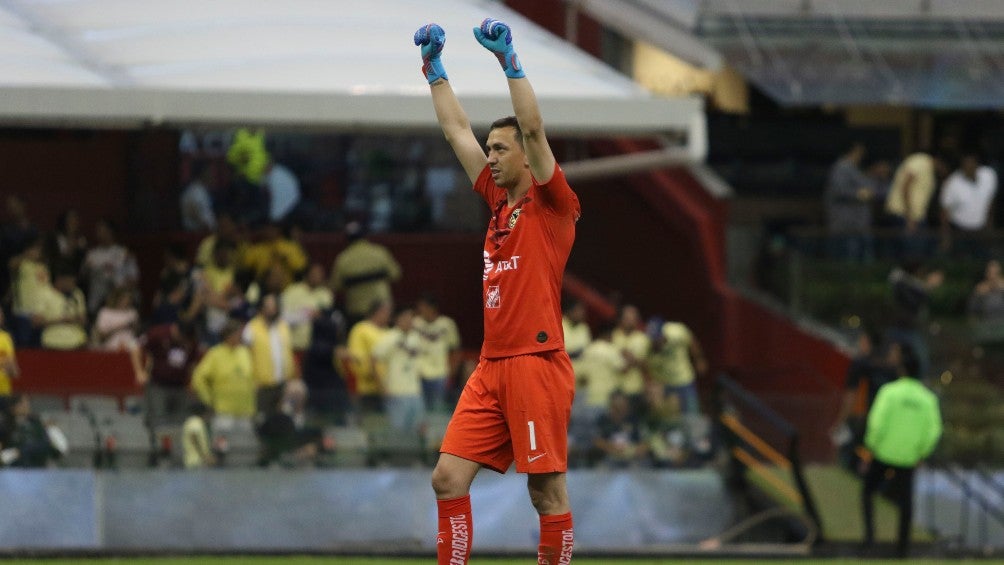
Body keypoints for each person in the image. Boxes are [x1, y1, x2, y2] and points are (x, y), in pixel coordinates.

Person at [416, 18, 580, 564]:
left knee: (545, 492)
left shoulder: (552, 206)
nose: (490, 155)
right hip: (492, 366)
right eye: (491, 148)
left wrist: (509, 62)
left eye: (501, 149)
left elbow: (534, 131)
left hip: (536, 363)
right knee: (447, 478)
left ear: (526, 159)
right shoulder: (498, 204)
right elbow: (456, 132)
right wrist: (434, 72)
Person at [861, 345, 942, 558]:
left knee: (868, 492)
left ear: (902, 370)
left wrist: (871, 447)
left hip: (883, 452)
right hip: (908, 457)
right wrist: (922, 453)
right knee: (905, 503)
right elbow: (934, 431)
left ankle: (869, 538)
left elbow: (876, 422)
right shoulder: (928, 399)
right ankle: (902, 548)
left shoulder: (889, 392)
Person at [329, 221, 401, 326]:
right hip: (382, 308)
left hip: (357, 309)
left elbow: (336, 285)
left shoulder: (343, 259)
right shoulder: (379, 252)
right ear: (364, 235)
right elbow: (396, 274)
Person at [190, 318, 255, 435]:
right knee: (223, 445)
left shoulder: (245, 352)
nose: (240, 337)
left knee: (244, 445)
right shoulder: (215, 354)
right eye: (237, 334)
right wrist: (208, 399)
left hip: (245, 410)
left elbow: (252, 377)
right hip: (223, 411)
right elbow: (198, 378)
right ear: (228, 335)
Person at [242, 293, 299, 419]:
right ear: (261, 309)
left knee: (283, 416)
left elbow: (288, 353)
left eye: (274, 307)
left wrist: (292, 376)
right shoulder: (251, 328)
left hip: (283, 383)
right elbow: (245, 356)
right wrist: (250, 381)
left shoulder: (283, 326)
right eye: (268, 307)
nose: (272, 310)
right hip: (261, 385)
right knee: (261, 418)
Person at [883, 152, 948, 258]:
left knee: (915, 252)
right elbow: (905, 187)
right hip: (904, 215)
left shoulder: (930, 172)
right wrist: (909, 217)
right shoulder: (921, 162)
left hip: (916, 217)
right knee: (911, 254)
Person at [887, 259, 943, 381]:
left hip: (912, 330)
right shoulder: (901, 283)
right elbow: (913, 303)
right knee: (919, 361)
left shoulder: (912, 285)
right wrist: (928, 288)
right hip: (903, 330)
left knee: (919, 361)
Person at [372, 306, 425, 434]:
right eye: (406, 318)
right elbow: (373, 359)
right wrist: (381, 387)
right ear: (398, 319)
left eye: (411, 317)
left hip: (415, 391)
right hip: (395, 392)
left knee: (418, 430)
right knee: (398, 432)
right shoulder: (389, 337)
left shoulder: (415, 337)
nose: (410, 321)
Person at [824, 143, 876, 261]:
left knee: (859, 249)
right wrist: (859, 194)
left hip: (857, 219)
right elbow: (839, 190)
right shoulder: (841, 167)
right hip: (846, 218)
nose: (861, 156)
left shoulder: (854, 168)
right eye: (859, 152)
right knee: (848, 252)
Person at [939, 152, 997, 257]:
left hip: (981, 230)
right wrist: (946, 238)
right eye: (966, 164)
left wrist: (990, 227)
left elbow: (990, 202)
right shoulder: (952, 183)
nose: (969, 167)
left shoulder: (988, 175)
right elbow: (944, 212)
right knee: (963, 262)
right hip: (960, 231)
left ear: (977, 165)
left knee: (983, 261)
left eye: (972, 164)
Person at [143, 321, 198, 429]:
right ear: (176, 331)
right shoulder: (158, 334)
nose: (183, 341)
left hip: (180, 387)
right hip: (159, 385)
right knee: (159, 419)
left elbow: (192, 363)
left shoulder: (191, 341)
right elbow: (139, 349)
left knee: (181, 421)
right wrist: (141, 372)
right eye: (181, 337)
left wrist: (191, 382)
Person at [646, 320, 707, 415]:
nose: (655, 341)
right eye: (653, 338)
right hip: (666, 384)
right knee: (669, 417)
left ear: (663, 333)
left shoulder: (676, 332)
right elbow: (647, 369)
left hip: (684, 380)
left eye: (657, 338)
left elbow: (691, 341)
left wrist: (699, 359)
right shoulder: (649, 348)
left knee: (691, 414)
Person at [80, 218, 139, 316]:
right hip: (97, 301)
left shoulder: (124, 253)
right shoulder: (92, 255)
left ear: (111, 231)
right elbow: (83, 277)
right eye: (97, 230)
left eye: (102, 230)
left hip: (120, 298)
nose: (98, 233)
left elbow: (134, 278)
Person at [414, 293, 461, 413]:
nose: (420, 310)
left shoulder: (447, 324)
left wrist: (451, 373)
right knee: (420, 410)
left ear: (432, 308)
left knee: (437, 410)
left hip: (440, 374)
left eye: (423, 307)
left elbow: (455, 350)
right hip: (419, 373)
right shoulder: (415, 323)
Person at [346, 299, 392, 416]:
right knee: (368, 422)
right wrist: (372, 375)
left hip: (388, 389)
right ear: (378, 311)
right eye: (387, 312)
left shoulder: (389, 332)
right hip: (367, 388)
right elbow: (356, 357)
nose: (389, 315)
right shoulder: (361, 329)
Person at [281, 263, 334, 351]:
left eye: (320, 274)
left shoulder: (326, 294)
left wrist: (320, 315)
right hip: (295, 344)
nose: (317, 277)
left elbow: (329, 319)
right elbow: (283, 317)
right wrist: (304, 315)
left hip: (318, 348)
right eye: (314, 274)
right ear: (307, 274)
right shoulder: (292, 291)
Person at [612, 304, 650, 409]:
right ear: (620, 319)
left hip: (637, 389)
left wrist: (633, 360)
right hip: (617, 390)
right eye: (627, 318)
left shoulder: (643, 339)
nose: (631, 321)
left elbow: (648, 364)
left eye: (634, 318)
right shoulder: (612, 336)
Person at [180, 160, 217, 232]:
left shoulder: (200, 190)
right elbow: (207, 224)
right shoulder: (196, 194)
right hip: (194, 237)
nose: (213, 175)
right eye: (210, 172)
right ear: (203, 174)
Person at [182, 401, 216, 469]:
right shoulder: (196, 422)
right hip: (196, 461)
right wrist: (205, 456)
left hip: (193, 460)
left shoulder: (192, 421)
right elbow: (193, 436)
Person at [0, 308, 19, 397]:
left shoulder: (6, 338)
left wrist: (10, 368)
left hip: (4, 392)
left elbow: (13, 370)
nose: (1, 316)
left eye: (1, 313)